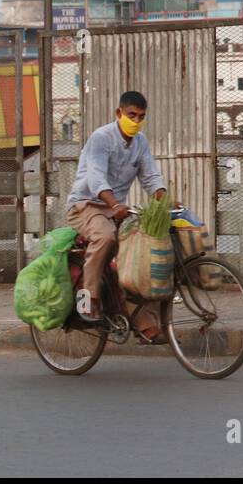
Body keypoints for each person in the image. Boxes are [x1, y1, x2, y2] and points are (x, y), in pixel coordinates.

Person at [65, 90, 167, 336]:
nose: (135, 121)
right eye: (131, 115)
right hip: (86, 206)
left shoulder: (140, 142)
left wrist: (164, 198)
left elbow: (150, 176)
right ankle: (89, 300)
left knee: (139, 257)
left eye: (141, 116)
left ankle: (143, 323)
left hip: (115, 211)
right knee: (106, 237)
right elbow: (96, 177)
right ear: (118, 113)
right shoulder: (101, 138)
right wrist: (114, 205)